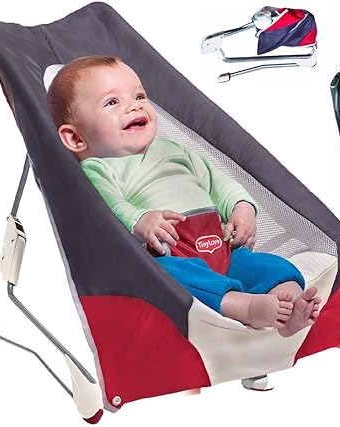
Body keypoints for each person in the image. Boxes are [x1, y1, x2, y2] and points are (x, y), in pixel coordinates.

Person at [47, 55, 320, 337]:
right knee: (171, 278)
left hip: (222, 248)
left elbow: (218, 184)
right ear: (76, 138)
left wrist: (241, 207)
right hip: (172, 254)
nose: (134, 105)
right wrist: (139, 220)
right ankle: (247, 307)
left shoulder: (174, 150)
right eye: (112, 102)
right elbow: (107, 208)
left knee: (270, 267)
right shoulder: (98, 168)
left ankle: (291, 305)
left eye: (139, 95)